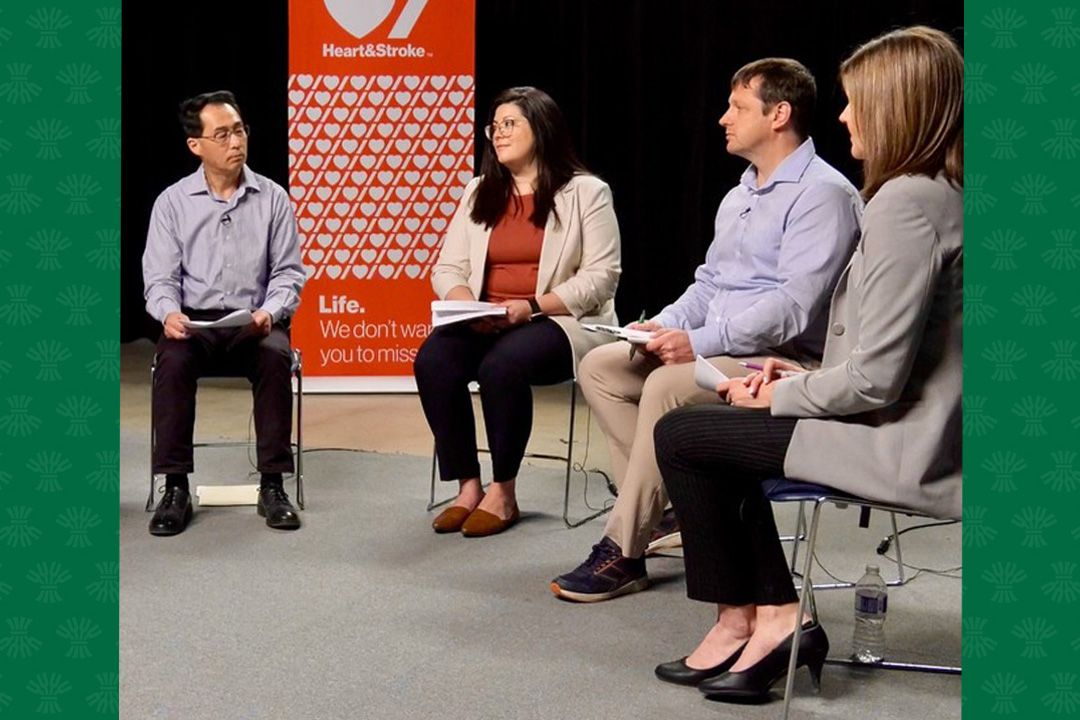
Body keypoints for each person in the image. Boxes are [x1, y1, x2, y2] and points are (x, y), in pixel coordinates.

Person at [651, 26, 963, 702]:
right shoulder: (932, 191)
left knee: (687, 434)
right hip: (895, 417)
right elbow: (892, 354)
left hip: (900, 441)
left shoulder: (906, 203)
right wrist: (801, 379)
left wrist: (780, 398)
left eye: (856, 102)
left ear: (898, 106)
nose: (845, 115)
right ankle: (757, 619)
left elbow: (877, 379)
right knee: (710, 431)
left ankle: (767, 617)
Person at [551, 59, 862, 602]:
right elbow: (710, 284)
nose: (723, 118)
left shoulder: (823, 195)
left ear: (779, 114)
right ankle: (669, 507)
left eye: (738, 107)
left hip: (780, 361)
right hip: (723, 349)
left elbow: (793, 308)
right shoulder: (738, 195)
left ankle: (623, 549)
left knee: (666, 385)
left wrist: (698, 343)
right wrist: (661, 326)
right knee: (601, 366)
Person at [414, 86, 621, 537]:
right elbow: (448, 265)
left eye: (511, 124)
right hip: (487, 318)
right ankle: (468, 486)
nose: (498, 133)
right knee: (433, 360)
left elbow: (602, 277)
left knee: (501, 367)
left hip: (560, 321)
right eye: (495, 126)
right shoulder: (479, 191)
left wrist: (529, 307)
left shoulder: (586, 192)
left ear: (541, 130)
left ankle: (503, 492)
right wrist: (468, 302)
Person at [143, 90, 307, 536]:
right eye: (222, 134)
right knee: (172, 363)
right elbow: (159, 278)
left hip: (252, 321)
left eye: (239, 131)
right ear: (196, 145)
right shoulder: (173, 202)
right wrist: (168, 314)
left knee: (275, 358)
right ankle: (175, 488)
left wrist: (270, 313)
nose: (235, 142)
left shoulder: (272, 198)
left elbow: (289, 274)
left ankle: (272, 486)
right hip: (193, 322)